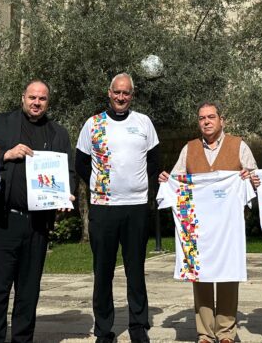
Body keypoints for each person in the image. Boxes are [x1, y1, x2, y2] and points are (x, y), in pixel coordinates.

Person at [0, 80, 76, 343]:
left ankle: (22, 340)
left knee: (29, 290)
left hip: (38, 223)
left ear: (48, 102)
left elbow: (68, 173)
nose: (36, 102)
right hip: (4, 220)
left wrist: (68, 194)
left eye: (42, 99)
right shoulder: (0, 123)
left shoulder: (58, 133)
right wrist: (5, 155)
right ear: (23, 98)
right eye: (32, 97)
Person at [159, 102, 257, 343]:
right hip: (197, 227)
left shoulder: (238, 145)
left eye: (211, 117)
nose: (206, 121)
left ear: (221, 120)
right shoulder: (189, 149)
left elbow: (256, 179)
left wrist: (249, 176)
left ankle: (225, 332)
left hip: (228, 227)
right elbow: (177, 180)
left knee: (227, 274)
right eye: (202, 118)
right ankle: (204, 332)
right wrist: (167, 180)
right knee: (199, 275)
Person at [75, 73, 161, 343]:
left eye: (126, 93)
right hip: (104, 207)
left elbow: (154, 161)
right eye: (117, 92)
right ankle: (103, 329)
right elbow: (80, 163)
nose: (121, 97)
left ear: (131, 95)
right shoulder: (93, 124)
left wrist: (138, 188)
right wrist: (102, 185)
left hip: (135, 207)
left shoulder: (143, 122)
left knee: (136, 270)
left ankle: (138, 327)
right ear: (109, 93)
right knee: (103, 271)